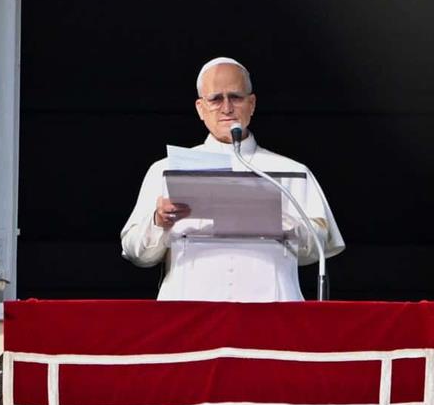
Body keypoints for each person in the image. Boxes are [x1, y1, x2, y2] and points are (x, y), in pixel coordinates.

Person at [121, 57, 344, 301]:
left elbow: (319, 245)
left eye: (235, 97)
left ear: (252, 104)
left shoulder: (291, 171)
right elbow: (135, 252)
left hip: (272, 314)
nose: (226, 108)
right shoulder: (165, 169)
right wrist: (159, 220)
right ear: (200, 108)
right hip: (189, 315)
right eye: (215, 99)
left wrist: (281, 222)